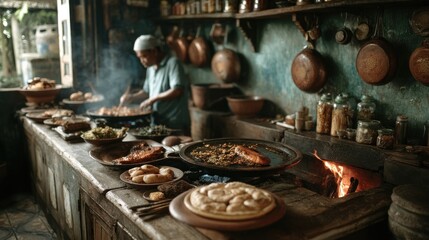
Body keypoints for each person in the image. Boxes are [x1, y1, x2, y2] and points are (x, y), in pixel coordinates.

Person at [120, 34, 190, 134]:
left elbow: (177, 90)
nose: (142, 61)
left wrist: (153, 99)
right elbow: (146, 92)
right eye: (139, 57)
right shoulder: (150, 68)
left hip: (174, 124)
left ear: (154, 51)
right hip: (156, 123)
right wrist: (131, 97)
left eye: (144, 56)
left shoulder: (173, 63)